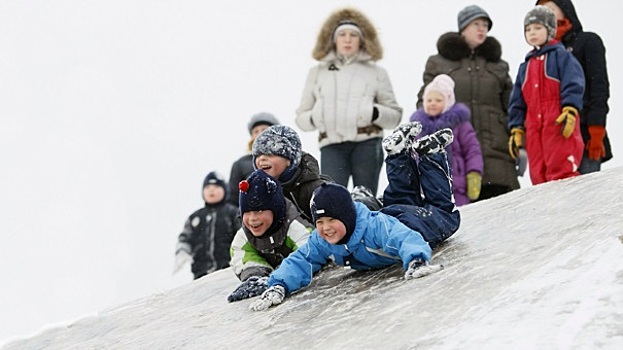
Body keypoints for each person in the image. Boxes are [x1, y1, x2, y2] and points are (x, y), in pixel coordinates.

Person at [249, 122, 461, 311]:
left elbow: (404, 238)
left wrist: (416, 260)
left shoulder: (375, 228)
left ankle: (432, 156)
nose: (326, 227)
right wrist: (278, 285)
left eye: (332, 220)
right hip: (386, 214)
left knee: (444, 214)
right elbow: (301, 260)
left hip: (411, 224)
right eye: (320, 222)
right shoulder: (322, 238)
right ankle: (398, 155)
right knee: (403, 198)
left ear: (347, 217)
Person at [295, 7, 402, 195]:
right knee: (332, 198)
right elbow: (301, 117)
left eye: (353, 35)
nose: (347, 39)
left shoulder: (376, 72)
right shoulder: (317, 72)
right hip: (331, 145)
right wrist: (317, 117)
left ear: (362, 40)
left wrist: (374, 112)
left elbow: (394, 116)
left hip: (367, 144)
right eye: (342, 34)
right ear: (333, 39)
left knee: (366, 199)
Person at [417, 4, 519, 201]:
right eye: (476, 24)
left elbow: (512, 105)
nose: (482, 29)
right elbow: (425, 103)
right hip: (456, 152)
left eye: (485, 26)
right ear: (463, 28)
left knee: (503, 214)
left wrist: (521, 143)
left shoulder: (499, 65)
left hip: (495, 153)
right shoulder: (438, 63)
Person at [508, 5, 585, 185]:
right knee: (538, 171)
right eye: (528, 29)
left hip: (557, 119)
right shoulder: (525, 66)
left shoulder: (561, 57)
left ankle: (570, 205)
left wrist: (570, 108)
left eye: (537, 28)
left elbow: (573, 82)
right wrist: (517, 128)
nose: (532, 33)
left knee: (560, 167)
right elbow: (517, 101)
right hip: (534, 124)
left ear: (550, 30)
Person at [535, 0, 612, 174]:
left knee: (586, 196)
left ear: (565, 10)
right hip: (552, 140)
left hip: (584, 132)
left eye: (551, 9)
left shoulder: (586, 41)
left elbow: (599, 86)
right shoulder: (539, 55)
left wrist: (597, 127)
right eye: (541, 11)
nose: (546, 14)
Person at [227, 170, 312, 302]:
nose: (253, 219)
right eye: (247, 212)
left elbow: (309, 253)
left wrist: (280, 275)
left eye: (259, 211)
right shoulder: (244, 237)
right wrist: (255, 277)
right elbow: (241, 255)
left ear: (275, 209)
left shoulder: (295, 228)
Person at [410, 74, 484, 206]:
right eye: (429, 100)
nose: (433, 103)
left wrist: (474, 173)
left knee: (460, 216)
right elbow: (413, 154)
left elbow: (472, 150)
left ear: (448, 102)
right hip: (427, 186)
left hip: (456, 185)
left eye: (438, 100)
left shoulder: (460, 124)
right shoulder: (418, 128)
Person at [252, 125, 331, 222]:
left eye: (270, 154)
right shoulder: (257, 191)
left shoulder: (317, 190)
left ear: (290, 160)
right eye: (258, 155)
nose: (262, 159)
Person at [173, 171, 240, 280]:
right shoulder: (195, 217)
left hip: (228, 272)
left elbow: (242, 235)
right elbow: (185, 238)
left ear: (225, 190)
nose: (211, 190)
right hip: (200, 274)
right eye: (208, 187)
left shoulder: (233, 213)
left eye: (216, 186)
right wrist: (182, 252)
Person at [227, 112, 280, 208]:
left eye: (264, 129)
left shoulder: (286, 160)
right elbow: (233, 199)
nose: (260, 134)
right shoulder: (240, 164)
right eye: (256, 131)